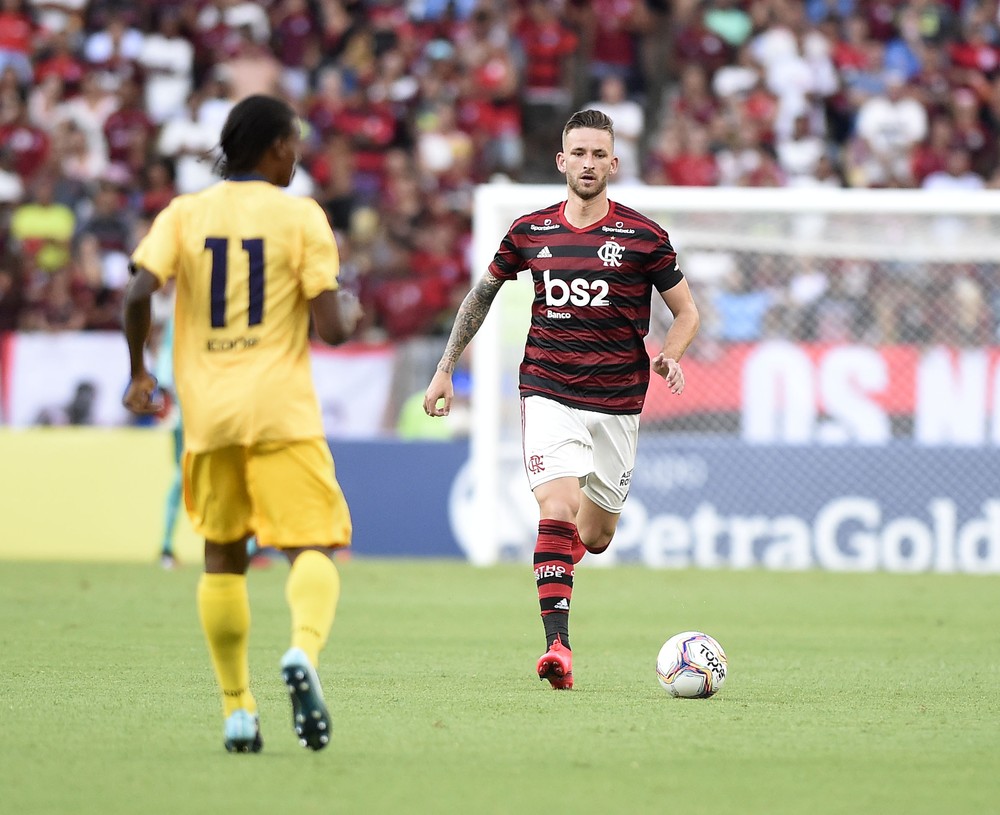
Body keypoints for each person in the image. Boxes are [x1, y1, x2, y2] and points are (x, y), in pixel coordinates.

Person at [423, 109, 700, 690]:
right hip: (548, 388)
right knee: (557, 506)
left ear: (614, 163)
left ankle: (557, 563)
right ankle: (558, 648)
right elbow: (480, 296)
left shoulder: (644, 237)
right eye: (579, 153)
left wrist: (671, 354)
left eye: (599, 154)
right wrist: (445, 368)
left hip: (618, 400)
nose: (588, 163)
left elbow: (687, 312)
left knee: (595, 536)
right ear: (561, 161)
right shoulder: (530, 231)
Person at [122, 94, 362, 752]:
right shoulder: (301, 216)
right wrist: (351, 310)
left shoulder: (184, 213)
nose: (299, 156)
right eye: (295, 144)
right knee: (313, 546)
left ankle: (236, 709)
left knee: (223, 556)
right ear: (278, 147)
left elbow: (138, 291)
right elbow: (332, 328)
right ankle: (303, 651)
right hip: (281, 411)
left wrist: (139, 373)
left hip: (209, 416)